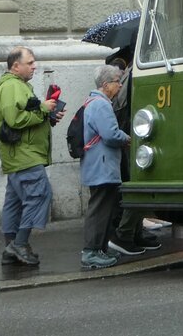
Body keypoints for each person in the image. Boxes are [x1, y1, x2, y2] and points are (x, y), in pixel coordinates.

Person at [0, 46, 60, 266]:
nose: (34, 66)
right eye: (30, 63)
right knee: (39, 195)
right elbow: (15, 119)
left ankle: (10, 249)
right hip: (24, 154)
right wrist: (42, 110)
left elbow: (25, 115)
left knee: (14, 202)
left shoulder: (16, 85)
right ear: (15, 66)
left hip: (19, 155)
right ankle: (19, 244)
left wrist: (47, 113)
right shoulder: (12, 86)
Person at [79, 64, 131, 270]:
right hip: (102, 165)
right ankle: (91, 252)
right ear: (105, 84)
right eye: (117, 81)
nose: (119, 85)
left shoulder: (93, 102)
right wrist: (126, 137)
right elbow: (110, 134)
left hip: (98, 164)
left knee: (105, 208)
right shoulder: (101, 104)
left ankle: (99, 249)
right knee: (99, 209)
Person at [108, 59, 161, 256]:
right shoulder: (135, 72)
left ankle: (134, 232)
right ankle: (124, 234)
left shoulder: (133, 71)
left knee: (141, 186)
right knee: (140, 187)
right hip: (133, 137)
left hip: (133, 135)